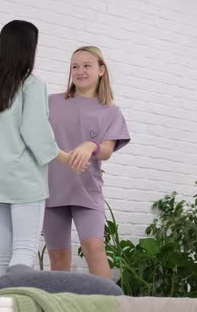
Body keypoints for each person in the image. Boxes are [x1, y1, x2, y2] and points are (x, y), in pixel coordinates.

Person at [0, 21, 86, 283]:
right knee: (24, 250)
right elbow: (36, 133)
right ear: (27, 49)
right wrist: (66, 158)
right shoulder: (31, 85)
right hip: (24, 179)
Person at [43, 46, 131, 279]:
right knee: (58, 260)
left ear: (102, 70)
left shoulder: (111, 112)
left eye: (86, 65)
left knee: (95, 249)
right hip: (51, 191)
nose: (80, 71)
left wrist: (90, 145)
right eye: (75, 66)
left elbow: (106, 151)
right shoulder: (49, 102)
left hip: (87, 191)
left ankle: (110, 306)